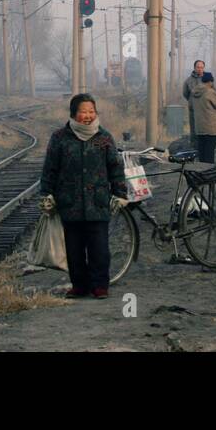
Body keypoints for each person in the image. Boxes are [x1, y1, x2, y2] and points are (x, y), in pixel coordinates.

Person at [38, 93, 129, 299]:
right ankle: (79, 285)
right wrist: (46, 194)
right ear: (73, 114)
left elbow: (115, 168)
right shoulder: (60, 138)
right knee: (74, 249)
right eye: (83, 112)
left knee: (99, 248)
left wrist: (120, 194)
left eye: (91, 112)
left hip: (97, 202)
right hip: (70, 202)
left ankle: (100, 286)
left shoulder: (104, 137)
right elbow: (50, 169)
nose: (88, 116)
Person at [183, 62, 216, 163]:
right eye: (198, 67)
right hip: (211, 127)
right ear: (210, 82)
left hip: (199, 125)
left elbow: (187, 96)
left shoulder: (194, 92)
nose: (200, 69)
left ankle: (201, 167)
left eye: (201, 67)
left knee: (202, 150)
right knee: (210, 151)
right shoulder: (209, 91)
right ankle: (208, 170)